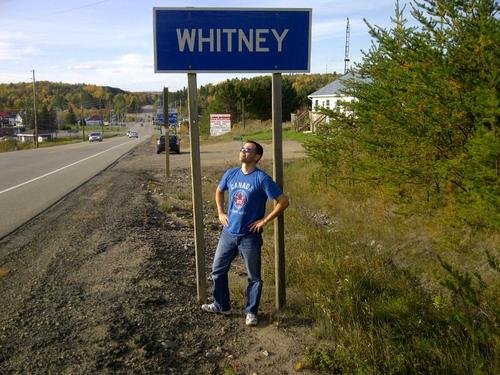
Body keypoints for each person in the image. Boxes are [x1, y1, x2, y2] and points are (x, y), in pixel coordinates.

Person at [202, 141, 289, 326]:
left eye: (248, 150)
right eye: (242, 148)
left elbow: (283, 201)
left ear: (257, 157)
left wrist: (264, 220)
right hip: (228, 233)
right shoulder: (231, 174)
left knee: (254, 277)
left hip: (250, 236)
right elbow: (219, 191)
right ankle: (221, 305)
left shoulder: (262, 178)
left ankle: (251, 312)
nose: (243, 151)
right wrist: (220, 212)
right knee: (217, 271)